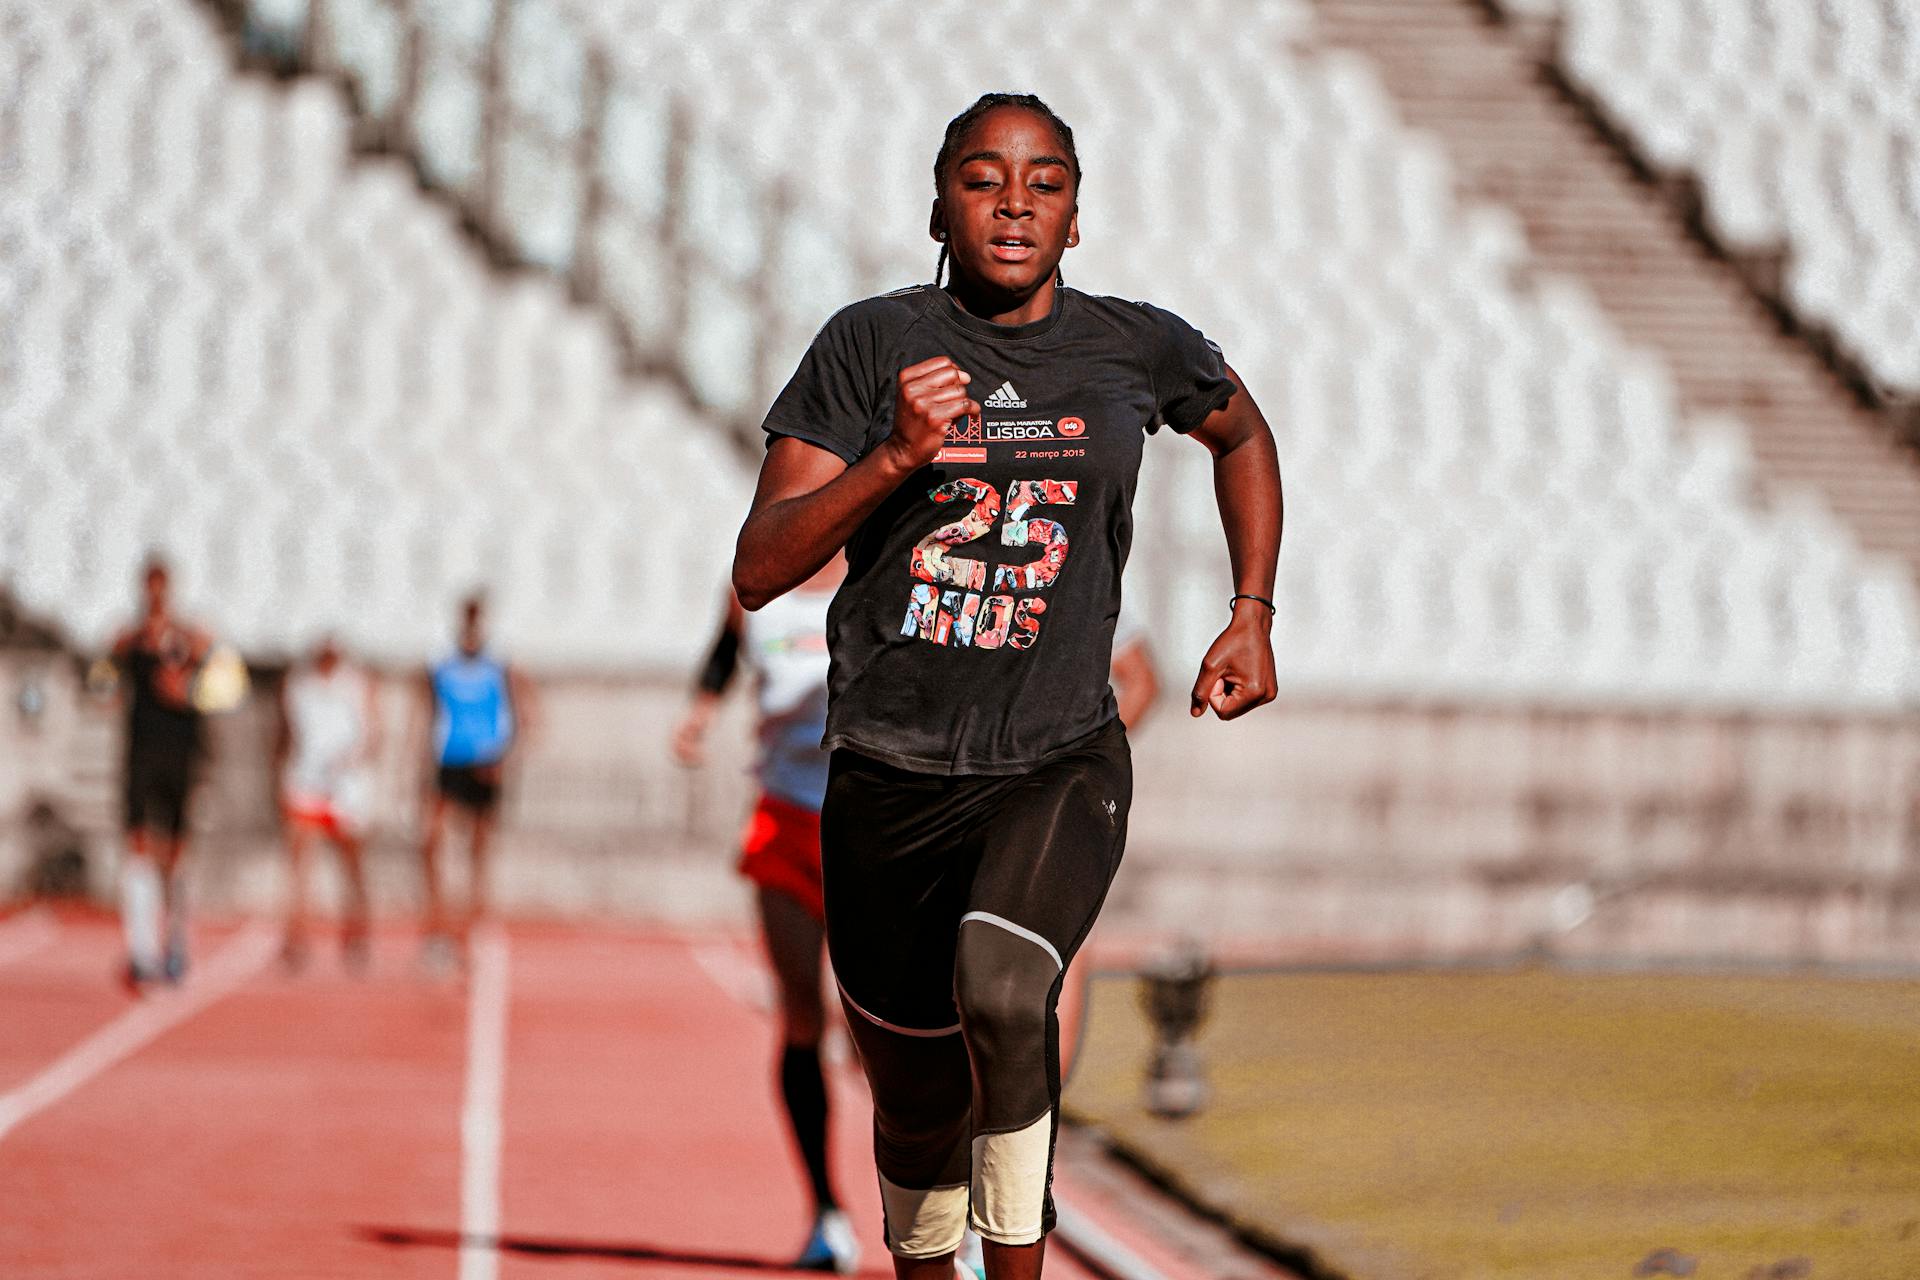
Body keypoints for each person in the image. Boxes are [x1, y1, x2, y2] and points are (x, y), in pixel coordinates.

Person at [731, 93, 1283, 1280]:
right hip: (886, 774)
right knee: (917, 1106)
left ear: (1077, 217)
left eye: (1046, 182)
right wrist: (893, 453)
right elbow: (760, 566)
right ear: (939, 207)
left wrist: (1251, 610)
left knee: (1003, 981)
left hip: (1055, 756)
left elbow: (1243, 435)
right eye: (984, 179)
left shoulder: (1137, 348)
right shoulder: (868, 343)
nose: (1016, 203)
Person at [673, 554, 860, 1273]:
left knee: (890, 1027)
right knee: (801, 1015)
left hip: (868, 824)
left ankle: (943, 1208)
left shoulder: (878, 558)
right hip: (784, 817)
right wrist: (699, 716)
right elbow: (723, 654)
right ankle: (826, 1211)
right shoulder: (755, 580)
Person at [109, 557, 212, 989]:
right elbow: (108, 674)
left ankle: (175, 941)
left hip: (179, 754)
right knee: (137, 844)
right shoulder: (131, 639)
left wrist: (184, 673)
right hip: (142, 754)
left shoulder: (188, 637)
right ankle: (141, 948)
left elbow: (215, 672)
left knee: (174, 852)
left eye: (160, 585)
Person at [418, 595, 533, 968]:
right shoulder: (441, 664)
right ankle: (438, 924)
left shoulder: (499, 664)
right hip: (449, 760)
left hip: (485, 762)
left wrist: (505, 756)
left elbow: (522, 713)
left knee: (478, 853)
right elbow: (427, 715)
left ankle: (471, 931)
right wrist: (417, 764)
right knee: (432, 841)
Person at [276, 636, 380, 973]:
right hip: (306, 781)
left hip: (346, 787)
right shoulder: (298, 685)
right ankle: (297, 935)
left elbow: (373, 734)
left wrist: (350, 763)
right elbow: (287, 733)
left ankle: (357, 931)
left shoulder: (356, 683)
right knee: (300, 862)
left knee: (352, 864)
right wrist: (282, 777)